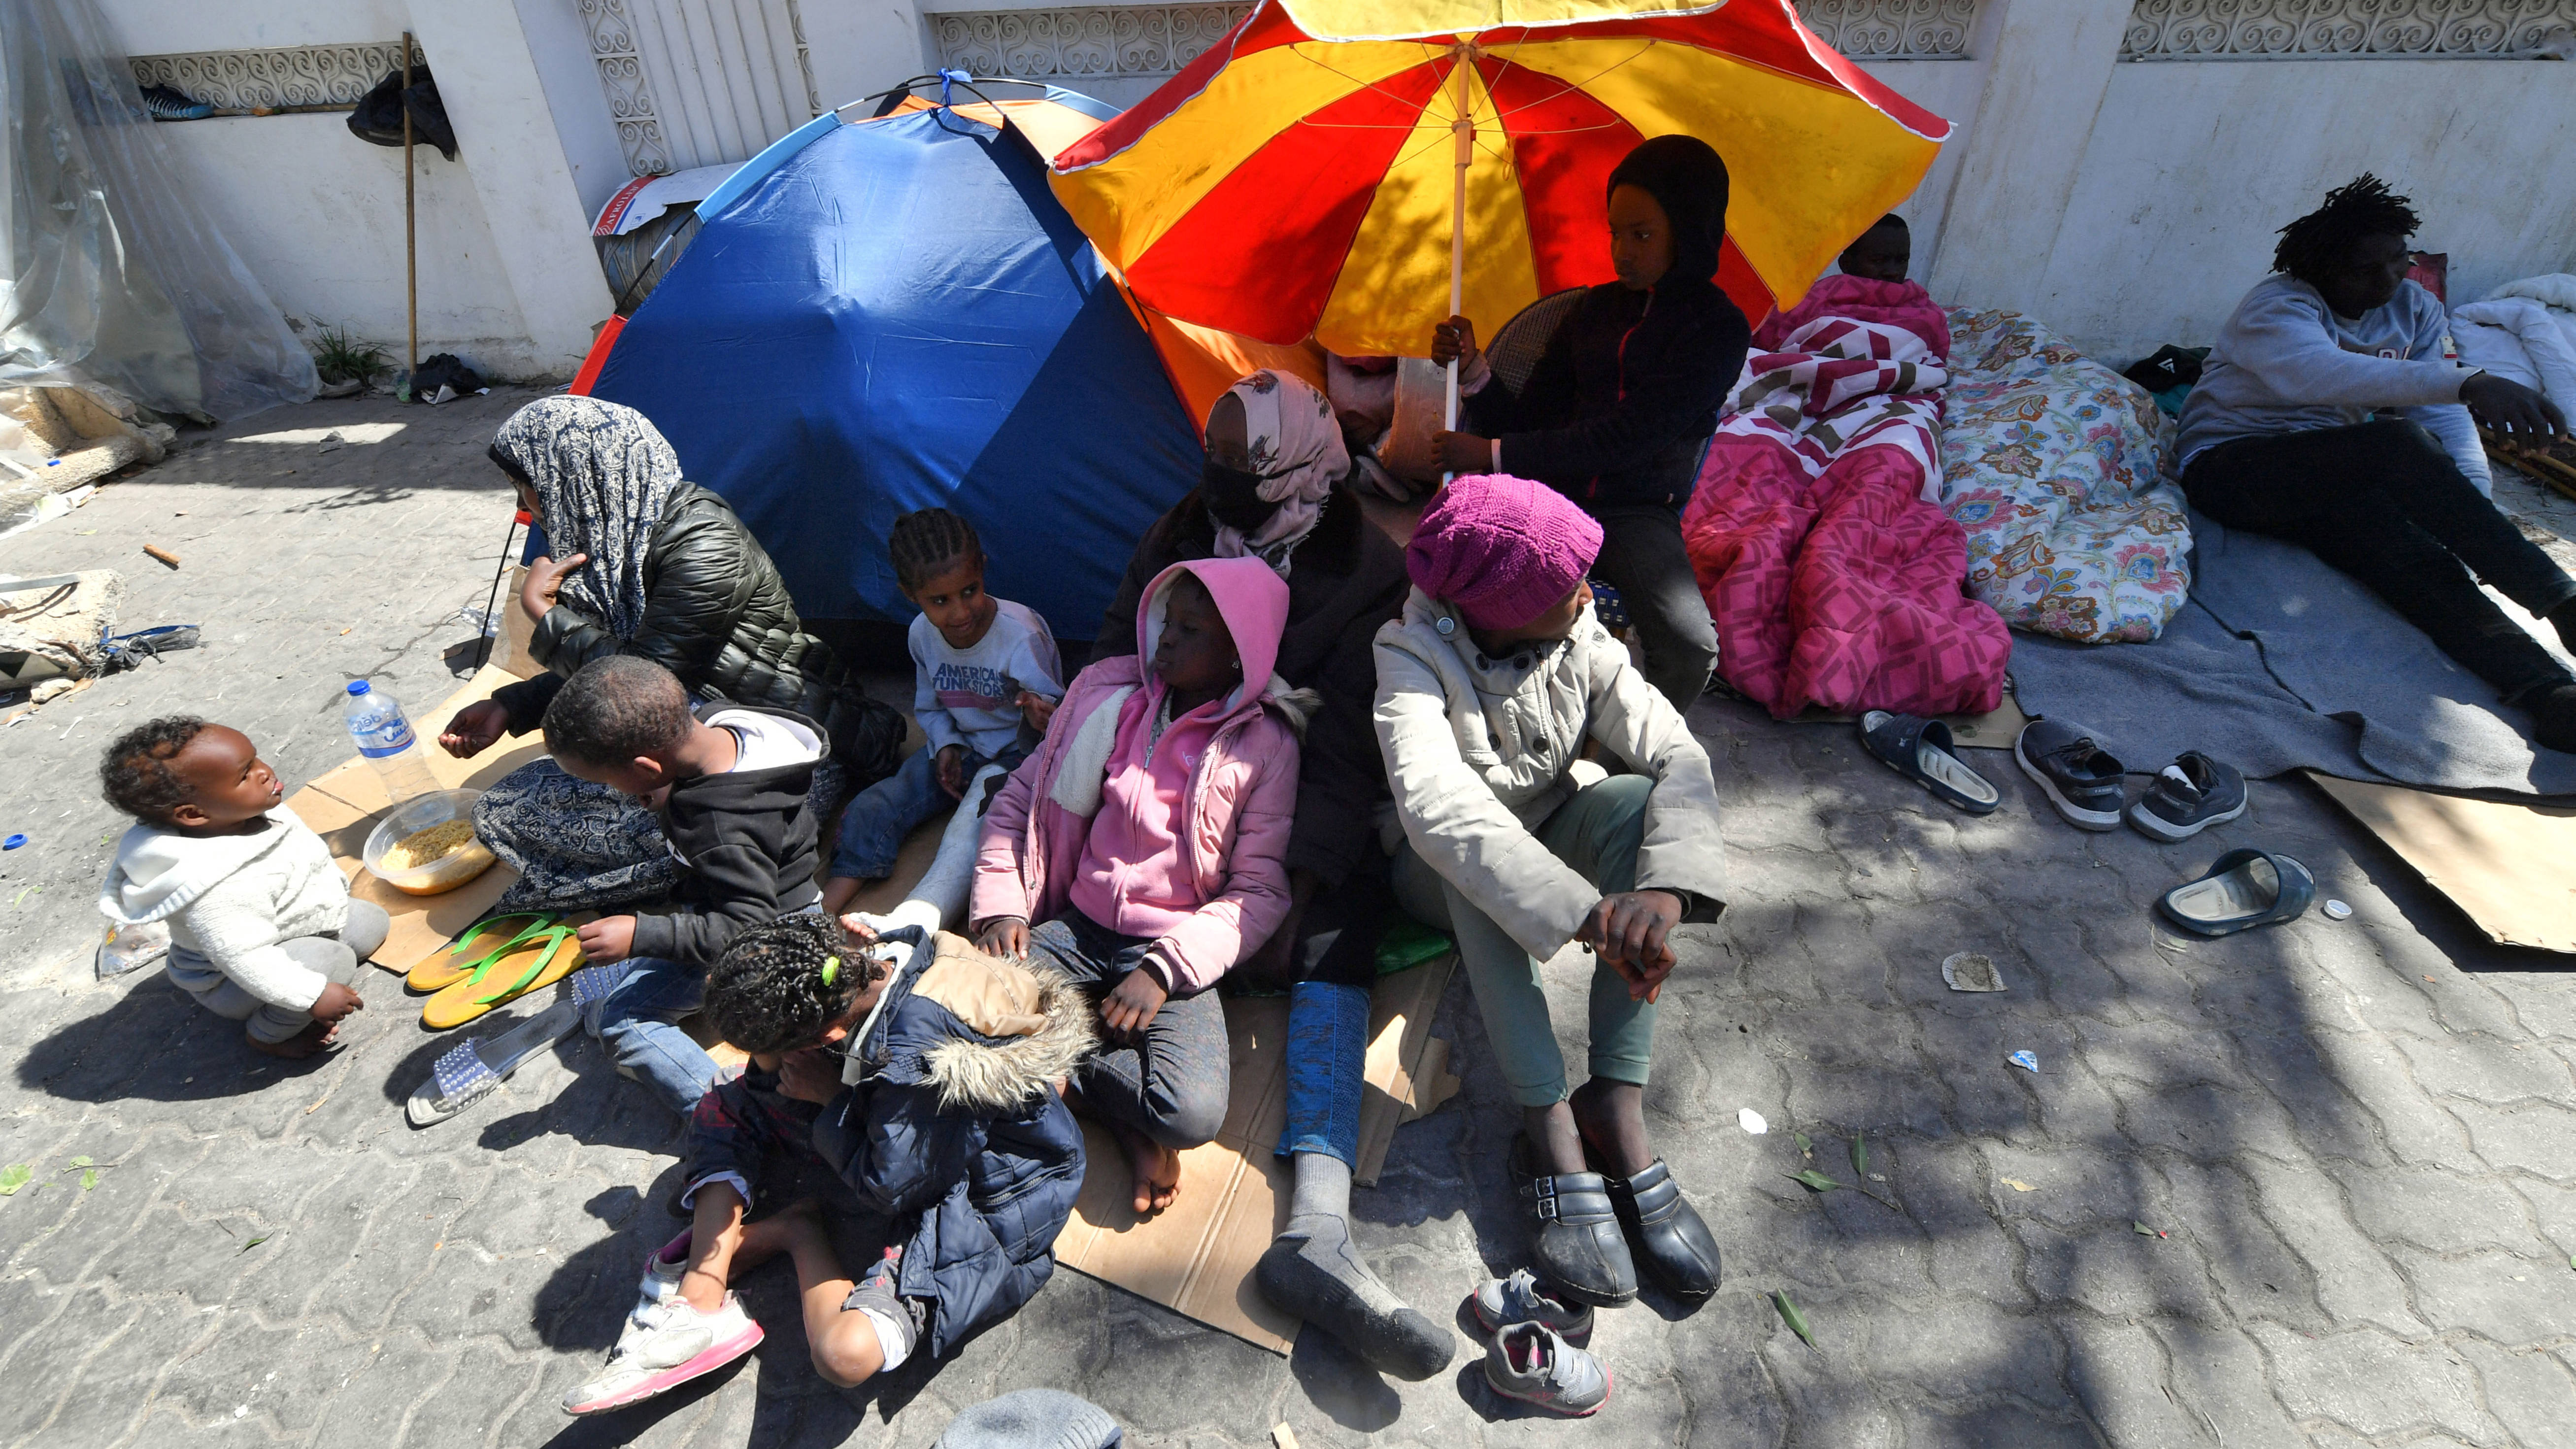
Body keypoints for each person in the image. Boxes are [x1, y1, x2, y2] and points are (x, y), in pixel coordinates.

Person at [1087, 371, 1442, 1376]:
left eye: (1251, 479)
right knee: (1078, 883)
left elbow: (1343, 748)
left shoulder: (1365, 572)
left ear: (1306, 468)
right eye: (1218, 475)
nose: (1228, 501)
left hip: (1283, 790)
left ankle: (1315, 1228)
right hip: (1162, 768)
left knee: (1339, 926)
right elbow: (1121, 647)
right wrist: (1093, 755)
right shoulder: (1185, 525)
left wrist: (1293, 878)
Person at [1376, 473, 1728, 1309]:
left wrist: (1665, 894)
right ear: (1493, 606)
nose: (1584, 594)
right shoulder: (1408, 656)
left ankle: (1614, 1099)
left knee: (1635, 806)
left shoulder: (1581, 634)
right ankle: (1547, 1126)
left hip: (1539, 840)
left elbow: (1676, 754)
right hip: (1431, 875)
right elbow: (1439, 810)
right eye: (1562, 585)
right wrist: (1582, 910)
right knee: (1476, 864)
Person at [560, 912, 1091, 1415]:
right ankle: (701, 1296)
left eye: (774, 1052)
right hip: (917, 1135)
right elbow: (764, 1086)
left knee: (843, 1355)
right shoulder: (854, 965)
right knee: (725, 1099)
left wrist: (829, 1103)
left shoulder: (915, 1062)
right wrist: (803, 1085)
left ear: (823, 1040)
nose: (766, 1066)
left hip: (990, 1198)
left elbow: (892, 1185)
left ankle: (797, 1231)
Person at [435, 396, 902, 913]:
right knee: (505, 802)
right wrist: (513, 704)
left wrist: (544, 616)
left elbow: (638, 681)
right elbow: (629, 657)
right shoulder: (618, 535)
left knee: (522, 815)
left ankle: (718, 872)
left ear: (577, 474)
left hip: (778, 751)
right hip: (685, 728)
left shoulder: (704, 543)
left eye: (531, 486)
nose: (529, 503)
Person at [2178, 175, 2576, 750]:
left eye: (2400, 260)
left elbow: (2445, 420)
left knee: (2415, 558)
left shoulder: (2416, 309)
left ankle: (2545, 691)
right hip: (2231, 470)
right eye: (2365, 271)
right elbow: (2324, 375)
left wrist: (2469, 510)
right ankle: (2560, 598)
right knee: (2396, 442)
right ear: (2319, 272)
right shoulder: (2279, 306)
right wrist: (2470, 383)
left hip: (2329, 477)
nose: (2389, 280)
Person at [976, 558, 1303, 1220]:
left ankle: (1069, 1063)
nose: (1165, 641)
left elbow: (1259, 890)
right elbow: (1017, 802)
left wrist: (1162, 970)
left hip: (1171, 951)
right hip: (1075, 929)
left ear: (1240, 657)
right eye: (1165, 623)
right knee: (967, 1013)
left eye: (1190, 632)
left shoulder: (1264, 745)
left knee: (1189, 1114)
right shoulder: (1108, 701)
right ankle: (1122, 1122)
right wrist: (1001, 906)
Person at [1430, 134, 1753, 713]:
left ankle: (1624, 750)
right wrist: (1475, 370)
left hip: (1634, 511)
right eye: (1616, 233)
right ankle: (1482, 720)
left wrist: (1491, 454)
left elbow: (1629, 439)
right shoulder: (1592, 310)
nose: (1622, 251)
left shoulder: (1717, 329)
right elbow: (1533, 418)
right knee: (1449, 591)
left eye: (1642, 234)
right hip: (1547, 496)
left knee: (1690, 646)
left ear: (1690, 230)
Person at [543, 656, 828, 1115]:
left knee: (622, 1020)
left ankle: (735, 1115)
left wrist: (642, 934)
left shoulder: (717, 826)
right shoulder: (722, 724)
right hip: (775, 897)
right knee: (633, 979)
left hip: (774, 937)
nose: (614, 790)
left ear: (646, 767)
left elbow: (745, 927)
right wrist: (669, 790)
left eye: (607, 780)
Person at [819, 508, 1063, 915]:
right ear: (910, 595)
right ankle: (827, 906)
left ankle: (920, 913)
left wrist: (1040, 712)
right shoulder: (921, 635)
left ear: (982, 570)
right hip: (963, 745)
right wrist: (946, 743)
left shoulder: (1021, 636)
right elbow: (930, 704)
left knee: (970, 827)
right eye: (940, 601)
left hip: (1015, 753)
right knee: (877, 803)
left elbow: (1057, 715)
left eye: (970, 590)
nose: (960, 612)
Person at [97, 719, 386, 1060]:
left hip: (287, 926)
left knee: (372, 923)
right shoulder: (217, 886)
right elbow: (247, 959)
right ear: (193, 814)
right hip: (233, 977)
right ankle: (267, 1035)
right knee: (331, 962)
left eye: (256, 759)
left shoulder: (248, 810)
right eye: (244, 774)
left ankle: (313, 962)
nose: (264, 771)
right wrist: (312, 995)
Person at [1836, 213, 1910, 283]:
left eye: (1903, 260)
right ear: (1846, 264)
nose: (1893, 273)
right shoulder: (1828, 296)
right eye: (1879, 260)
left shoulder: (1917, 296)